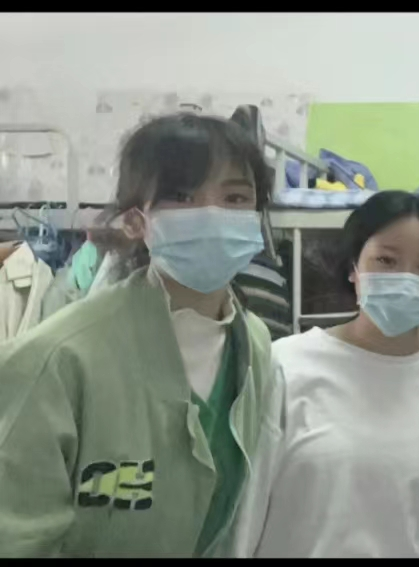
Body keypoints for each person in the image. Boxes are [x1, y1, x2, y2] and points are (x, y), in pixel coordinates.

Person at [0, 113, 284, 557]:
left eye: (235, 197)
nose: (212, 214)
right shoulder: (55, 360)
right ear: (135, 222)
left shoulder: (255, 347)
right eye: (182, 196)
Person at [244, 190, 419, 558]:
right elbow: (243, 516)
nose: (407, 279)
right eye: (387, 260)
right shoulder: (284, 365)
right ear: (353, 268)